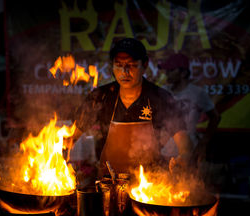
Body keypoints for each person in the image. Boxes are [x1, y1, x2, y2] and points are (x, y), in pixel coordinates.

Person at [73, 38, 193, 179]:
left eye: (132, 65)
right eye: (119, 65)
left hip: (149, 183)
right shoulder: (100, 97)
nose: (125, 72)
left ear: (145, 65)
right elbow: (72, 135)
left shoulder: (160, 97)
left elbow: (182, 137)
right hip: (109, 181)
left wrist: (184, 156)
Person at [158, 53, 221, 167]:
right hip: (164, 152)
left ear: (183, 73)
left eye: (171, 70)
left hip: (189, 153)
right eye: (166, 70)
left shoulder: (197, 93)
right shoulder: (162, 92)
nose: (167, 73)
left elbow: (215, 117)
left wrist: (203, 144)